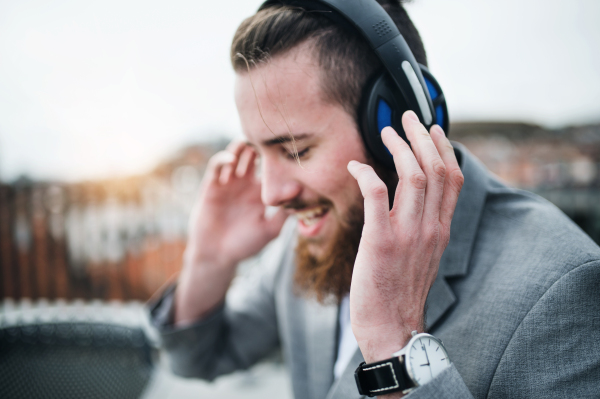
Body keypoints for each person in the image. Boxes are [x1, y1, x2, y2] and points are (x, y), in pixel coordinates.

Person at [148, 1, 600, 398]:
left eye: (295, 150)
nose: (272, 194)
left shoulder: (560, 289)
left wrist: (397, 344)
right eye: (258, 152)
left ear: (399, 123)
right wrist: (210, 258)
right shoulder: (311, 234)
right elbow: (199, 359)